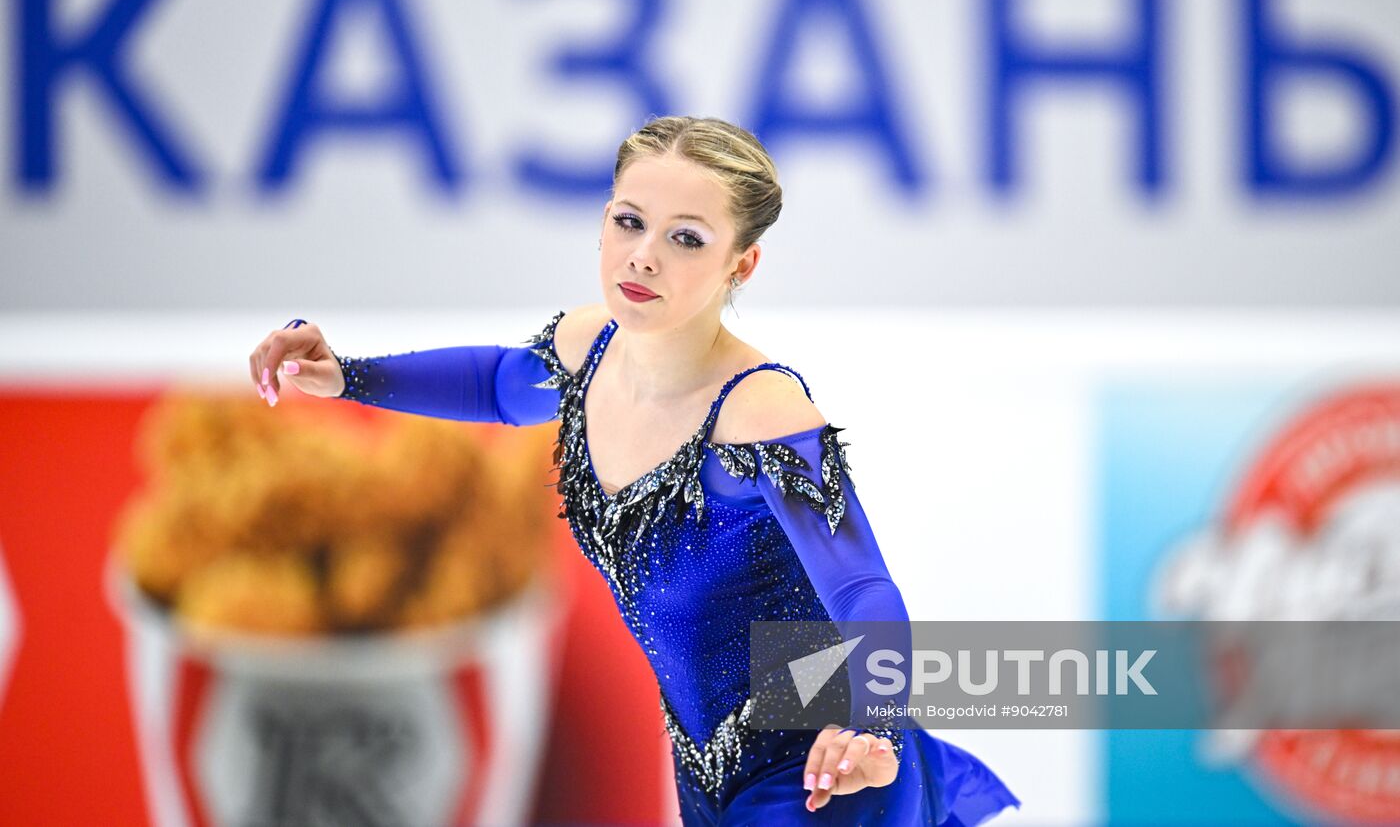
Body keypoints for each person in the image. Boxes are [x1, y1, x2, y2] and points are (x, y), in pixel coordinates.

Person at [247, 116, 1020, 825]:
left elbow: (862, 588)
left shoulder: (761, 411)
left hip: (820, 767)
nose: (644, 254)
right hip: (705, 771)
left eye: (686, 238)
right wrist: (347, 375)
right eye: (629, 221)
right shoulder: (590, 350)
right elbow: (498, 385)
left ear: (742, 263)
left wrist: (871, 729)